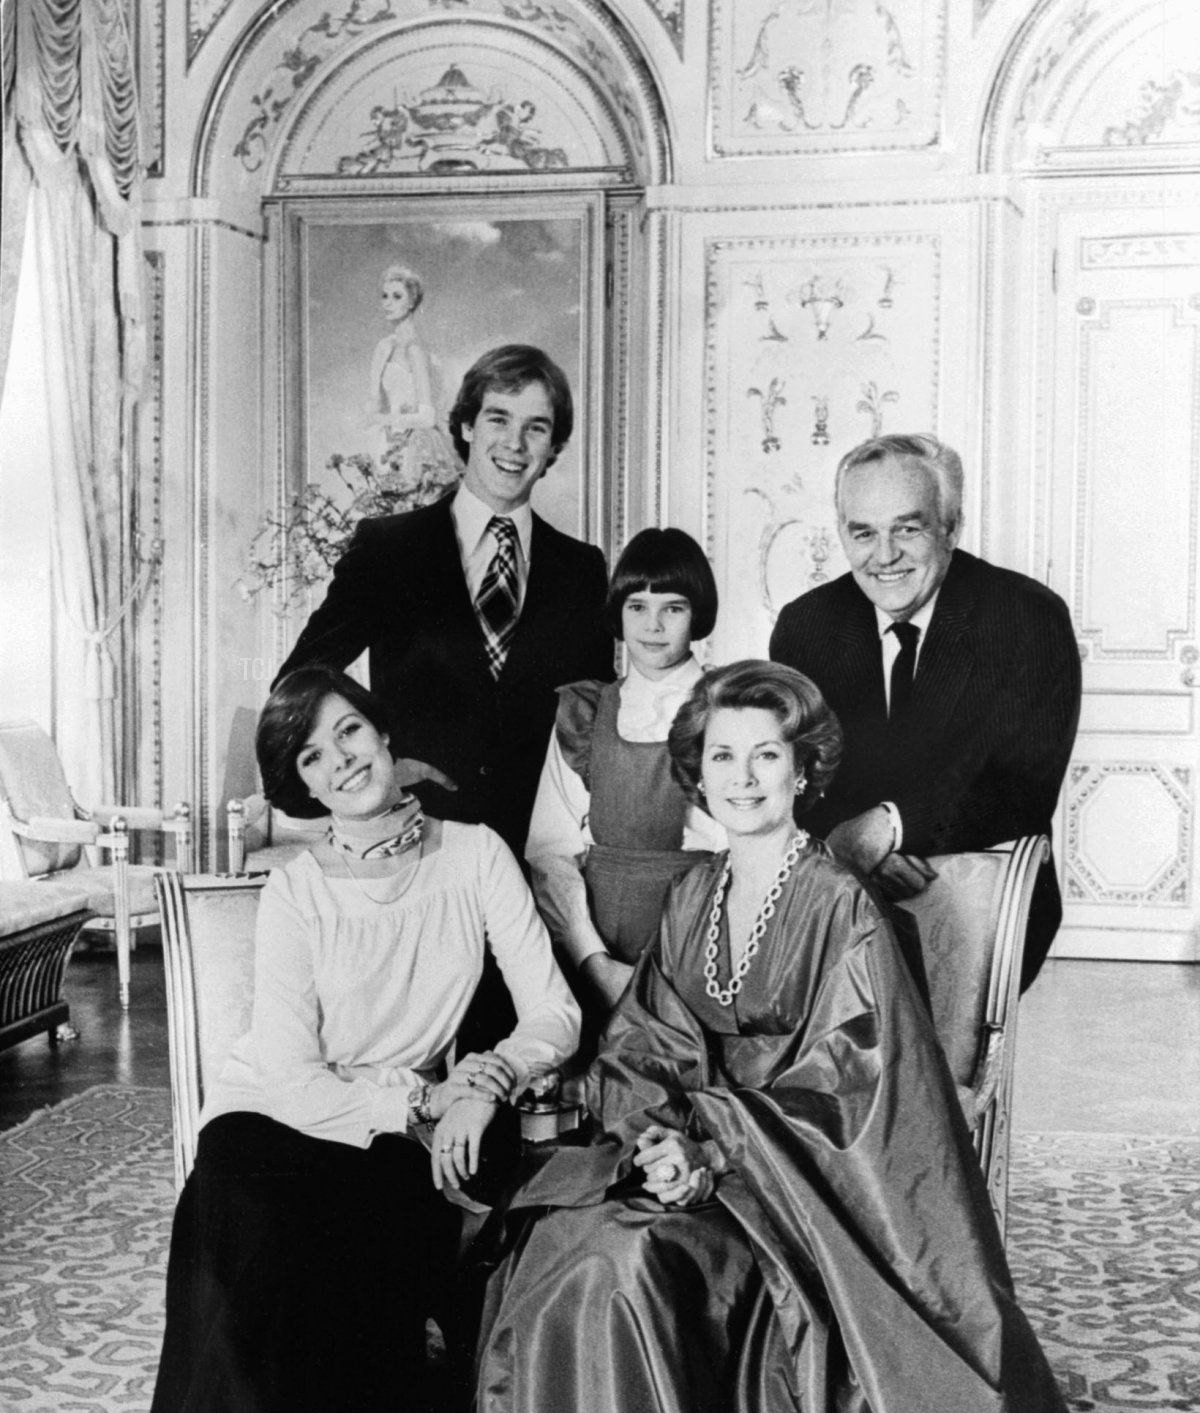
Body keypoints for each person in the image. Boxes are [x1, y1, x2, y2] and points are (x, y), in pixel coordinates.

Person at [468, 659, 1200, 1413]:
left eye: (769, 753)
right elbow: (649, 1045)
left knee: (622, 1272)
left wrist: (709, 1138)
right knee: (569, 1244)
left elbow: (855, 1095)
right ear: (695, 774)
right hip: (705, 1174)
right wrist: (659, 1131)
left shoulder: (843, 903)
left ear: (806, 768)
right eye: (723, 755)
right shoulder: (693, 896)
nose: (746, 774)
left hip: (806, 1205)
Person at [80, 667, 578, 1413]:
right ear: (301, 784)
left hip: (405, 1124)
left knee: (355, 1218)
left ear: (386, 738)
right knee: (236, 1182)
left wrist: (484, 1079)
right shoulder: (297, 891)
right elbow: (292, 1075)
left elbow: (552, 1010)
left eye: (349, 732)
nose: (341, 760)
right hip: (287, 1108)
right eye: (313, 754)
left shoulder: (475, 855)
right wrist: (418, 1106)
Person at [276, 343, 611, 859]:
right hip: (414, 852)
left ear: (553, 447)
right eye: (498, 419)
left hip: (541, 863)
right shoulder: (389, 550)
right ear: (467, 427)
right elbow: (297, 686)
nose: (515, 444)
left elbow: (594, 723)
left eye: (536, 427)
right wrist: (373, 777)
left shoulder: (583, 571)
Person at [768, 434, 1080, 986]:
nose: (884, 556)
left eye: (907, 528)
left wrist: (887, 826)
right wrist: (849, 846)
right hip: (843, 880)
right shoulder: (807, 625)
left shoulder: (1027, 618)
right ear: (842, 532)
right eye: (863, 532)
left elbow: (1022, 789)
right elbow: (795, 774)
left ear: (951, 526)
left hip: (977, 891)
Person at [525, 527, 726, 1015]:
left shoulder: (731, 708)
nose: (653, 625)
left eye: (672, 608)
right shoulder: (587, 712)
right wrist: (592, 961)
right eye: (638, 606)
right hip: (597, 953)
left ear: (696, 614)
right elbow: (551, 853)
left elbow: (747, 853)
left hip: (700, 946)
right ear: (618, 613)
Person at [368, 263, 461, 501]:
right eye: (385, 296)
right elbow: (373, 404)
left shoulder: (416, 350)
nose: (387, 302)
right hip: (387, 443)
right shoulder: (383, 347)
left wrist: (386, 419)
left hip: (416, 444)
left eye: (397, 296)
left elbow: (427, 416)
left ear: (412, 302)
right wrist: (380, 422)